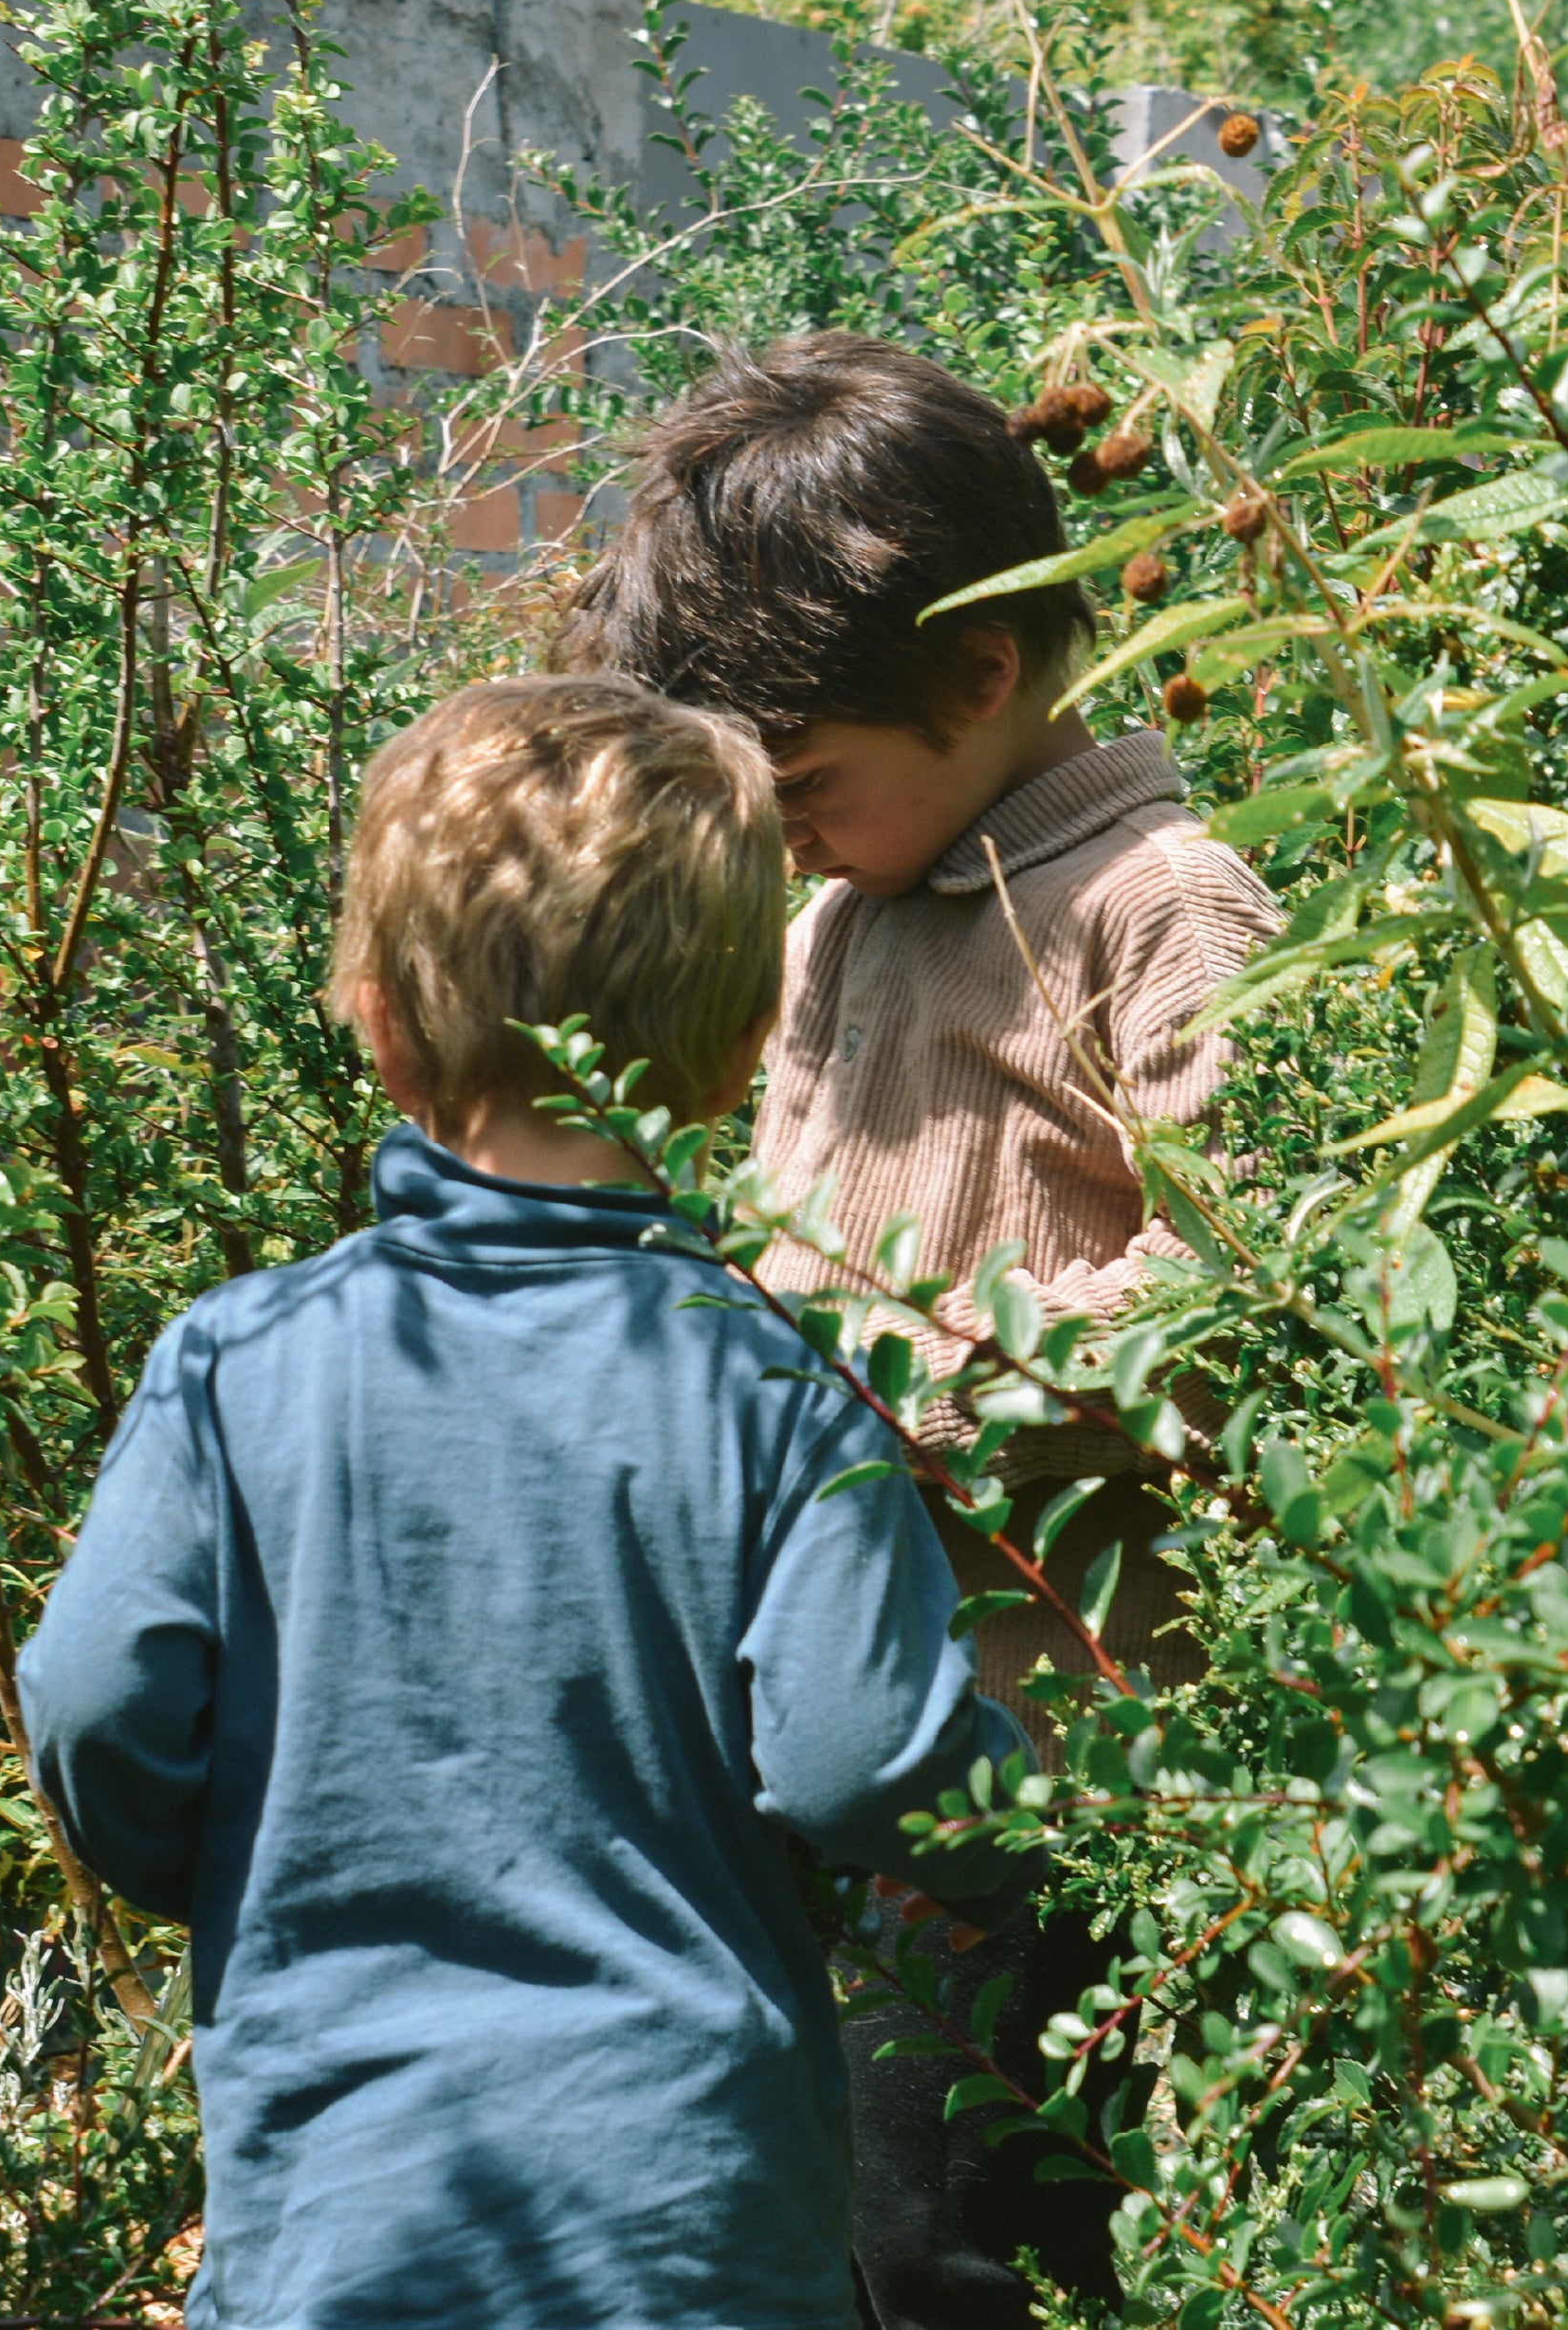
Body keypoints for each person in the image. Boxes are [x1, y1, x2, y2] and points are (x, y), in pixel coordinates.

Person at [17, 673, 1028, 2330]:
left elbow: (95, 1696)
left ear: (379, 1023)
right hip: (692, 2234)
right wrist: (1026, 1825)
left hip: (345, 2217)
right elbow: (861, 1760)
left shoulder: (236, 1362)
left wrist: (242, 1866)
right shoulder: (771, 1387)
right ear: (740, 1049)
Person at [558, 334, 1284, 2330]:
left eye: (799, 784)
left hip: (1060, 1742)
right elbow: (783, 1245)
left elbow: (1244, 1285)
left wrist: (892, 1396)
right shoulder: (835, 922)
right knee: (825, 2205)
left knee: (960, 2233)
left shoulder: (1158, 905)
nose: (779, 835)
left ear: (979, 671)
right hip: (841, 1718)